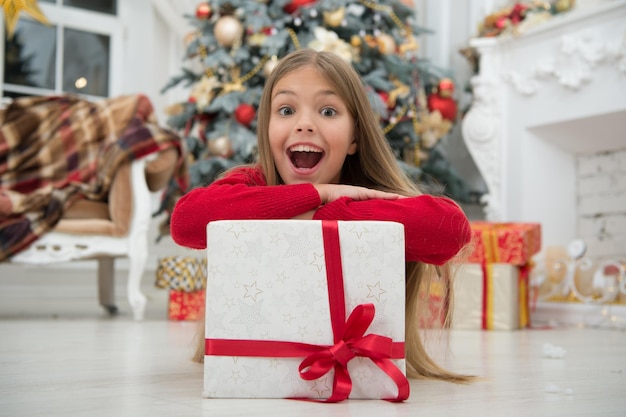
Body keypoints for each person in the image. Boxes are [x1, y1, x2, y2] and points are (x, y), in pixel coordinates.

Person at [170, 48, 472, 383]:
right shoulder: (251, 184)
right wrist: (319, 194)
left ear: (355, 137)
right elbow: (186, 223)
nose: (304, 125)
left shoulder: (372, 196)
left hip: (360, 380)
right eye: (286, 110)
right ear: (267, 130)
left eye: (328, 111)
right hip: (255, 374)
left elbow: (450, 229)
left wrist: (327, 211)